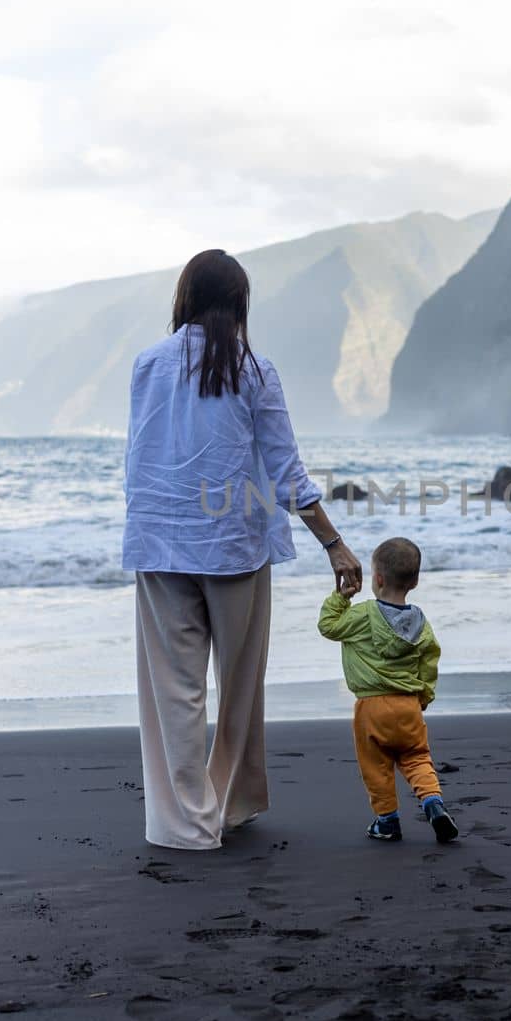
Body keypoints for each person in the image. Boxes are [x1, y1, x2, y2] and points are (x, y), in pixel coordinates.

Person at [124, 249, 362, 851]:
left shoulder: (146, 365)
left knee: (173, 692)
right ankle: (230, 803)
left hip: (160, 545)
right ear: (237, 304)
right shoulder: (254, 371)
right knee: (238, 685)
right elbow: (287, 474)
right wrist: (334, 545)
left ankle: (185, 824)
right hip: (234, 549)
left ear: (184, 298)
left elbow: (141, 459)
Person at [317, 536, 458, 844]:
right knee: (417, 758)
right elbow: (430, 659)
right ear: (416, 581)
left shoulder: (363, 615)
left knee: (376, 766)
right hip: (408, 705)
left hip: (371, 708)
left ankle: (387, 821)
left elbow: (328, 626)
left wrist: (341, 598)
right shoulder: (420, 621)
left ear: (377, 578)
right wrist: (424, 695)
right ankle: (433, 802)